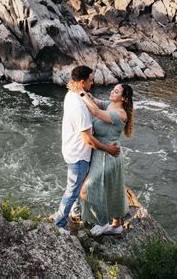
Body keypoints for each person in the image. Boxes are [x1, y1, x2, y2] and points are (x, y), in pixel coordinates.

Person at [54, 65, 120, 234]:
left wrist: (83, 92)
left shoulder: (72, 95)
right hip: (79, 154)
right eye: (90, 80)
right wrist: (109, 149)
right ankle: (59, 224)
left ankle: (78, 213)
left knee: (80, 187)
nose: (93, 82)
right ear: (82, 82)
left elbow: (95, 104)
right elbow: (88, 140)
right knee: (73, 190)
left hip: (70, 148)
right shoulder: (80, 107)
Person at [69, 82, 134, 235]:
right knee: (113, 189)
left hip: (109, 155)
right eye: (113, 89)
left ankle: (103, 222)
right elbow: (95, 101)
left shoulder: (120, 114)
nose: (112, 92)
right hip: (101, 152)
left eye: (116, 91)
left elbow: (96, 112)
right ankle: (116, 225)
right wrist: (80, 88)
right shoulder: (110, 105)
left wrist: (81, 93)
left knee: (87, 189)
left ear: (123, 98)